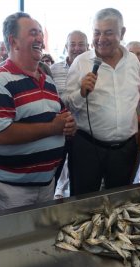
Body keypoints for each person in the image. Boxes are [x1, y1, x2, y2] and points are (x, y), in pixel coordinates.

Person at [0, 12, 76, 212]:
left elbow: (63, 116)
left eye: (40, 33)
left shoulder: (47, 81)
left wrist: (68, 124)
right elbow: (0, 134)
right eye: (33, 33)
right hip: (12, 189)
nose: (40, 39)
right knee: (9, 240)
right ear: (13, 41)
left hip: (46, 183)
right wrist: (52, 128)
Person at [64, 8, 140, 196]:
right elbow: (67, 104)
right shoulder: (81, 62)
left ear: (122, 33)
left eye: (108, 32)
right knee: (82, 203)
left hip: (125, 150)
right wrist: (81, 92)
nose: (101, 38)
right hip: (87, 147)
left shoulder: (133, 62)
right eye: (97, 32)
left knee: (119, 203)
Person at [50, 30, 89, 199]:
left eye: (81, 44)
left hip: (84, 134)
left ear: (88, 47)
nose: (77, 48)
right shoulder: (53, 70)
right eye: (72, 44)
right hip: (58, 133)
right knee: (52, 177)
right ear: (66, 47)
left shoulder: (95, 69)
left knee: (81, 181)